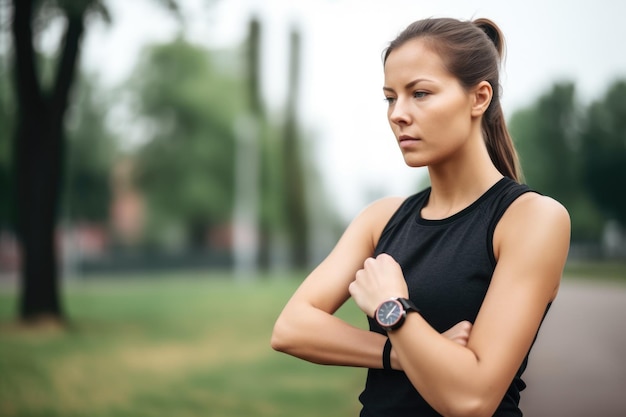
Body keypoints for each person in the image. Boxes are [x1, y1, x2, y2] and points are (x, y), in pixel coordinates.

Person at [271, 16, 570, 417]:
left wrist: (393, 307)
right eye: (390, 97)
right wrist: (403, 351)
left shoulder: (531, 218)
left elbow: (471, 398)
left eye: (421, 93)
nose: (398, 113)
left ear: (479, 98)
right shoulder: (381, 218)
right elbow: (291, 328)